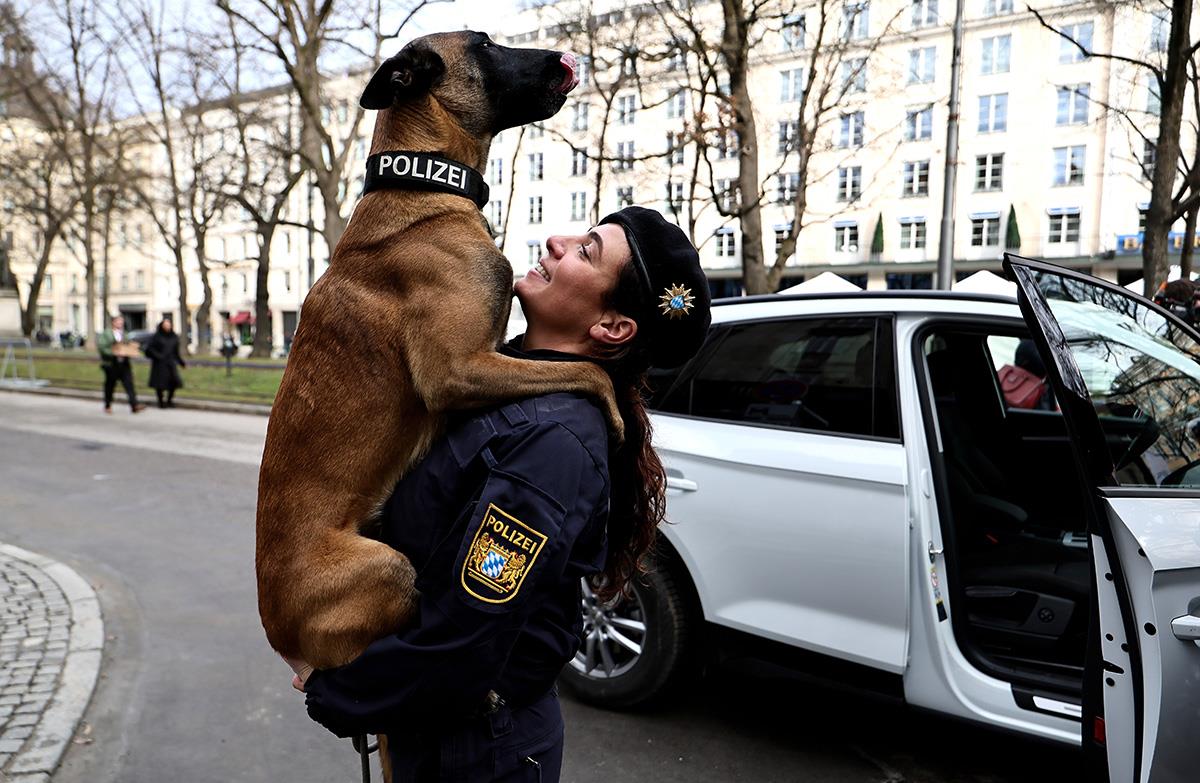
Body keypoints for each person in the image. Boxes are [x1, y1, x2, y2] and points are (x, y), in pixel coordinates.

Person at [296, 207, 711, 781]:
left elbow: (469, 626)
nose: (557, 240)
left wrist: (337, 689)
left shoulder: (552, 441)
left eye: (586, 251)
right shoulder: (495, 388)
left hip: (476, 752)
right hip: (435, 727)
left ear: (612, 327)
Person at [96, 315, 145, 414]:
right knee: (110, 385)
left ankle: (134, 405)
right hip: (112, 364)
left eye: (121, 321)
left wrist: (132, 350)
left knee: (129, 384)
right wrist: (113, 353)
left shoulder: (124, 334)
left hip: (124, 363)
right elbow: (102, 348)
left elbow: (128, 346)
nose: (120, 323)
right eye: (118, 321)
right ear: (113, 322)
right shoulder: (107, 334)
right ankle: (108, 405)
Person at [145, 317, 187, 408]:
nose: (167, 327)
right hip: (159, 364)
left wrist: (181, 362)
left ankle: (169, 400)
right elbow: (149, 349)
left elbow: (176, 352)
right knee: (160, 384)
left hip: (170, 363)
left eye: (169, 325)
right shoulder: (156, 337)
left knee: (174, 382)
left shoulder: (174, 337)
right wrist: (158, 356)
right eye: (165, 325)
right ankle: (160, 401)